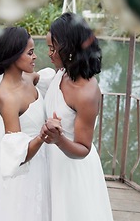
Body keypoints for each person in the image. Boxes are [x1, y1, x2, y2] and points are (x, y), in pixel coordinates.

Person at [41, 12, 114, 221]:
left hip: (73, 171)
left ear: (70, 47)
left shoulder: (86, 93)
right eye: (49, 47)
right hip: (53, 163)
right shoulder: (62, 72)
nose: (49, 53)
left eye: (53, 48)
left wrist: (58, 139)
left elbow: (83, 148)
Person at [0, 27, 51, 221]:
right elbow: (18, 157)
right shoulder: (7, 97)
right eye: (30, 52)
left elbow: (52, 80)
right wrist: (43, 135)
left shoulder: (29, 78)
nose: (35, 57)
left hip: (46, 158)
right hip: (26, 173)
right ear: (13, 55)